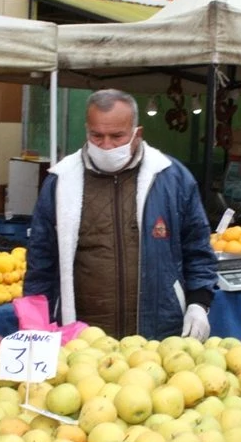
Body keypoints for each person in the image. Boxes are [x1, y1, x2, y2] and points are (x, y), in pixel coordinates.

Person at [24, 89, 216, 340]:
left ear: (137, 133)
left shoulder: (172, 178)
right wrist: (36, 324)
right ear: (87, 130)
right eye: (96, 136)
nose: (106, 145)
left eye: (116, 136)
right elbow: (41, 261)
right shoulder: (61, 182)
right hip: (83, 340)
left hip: (160, 335)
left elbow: (197, 249)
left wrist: (199, 304)